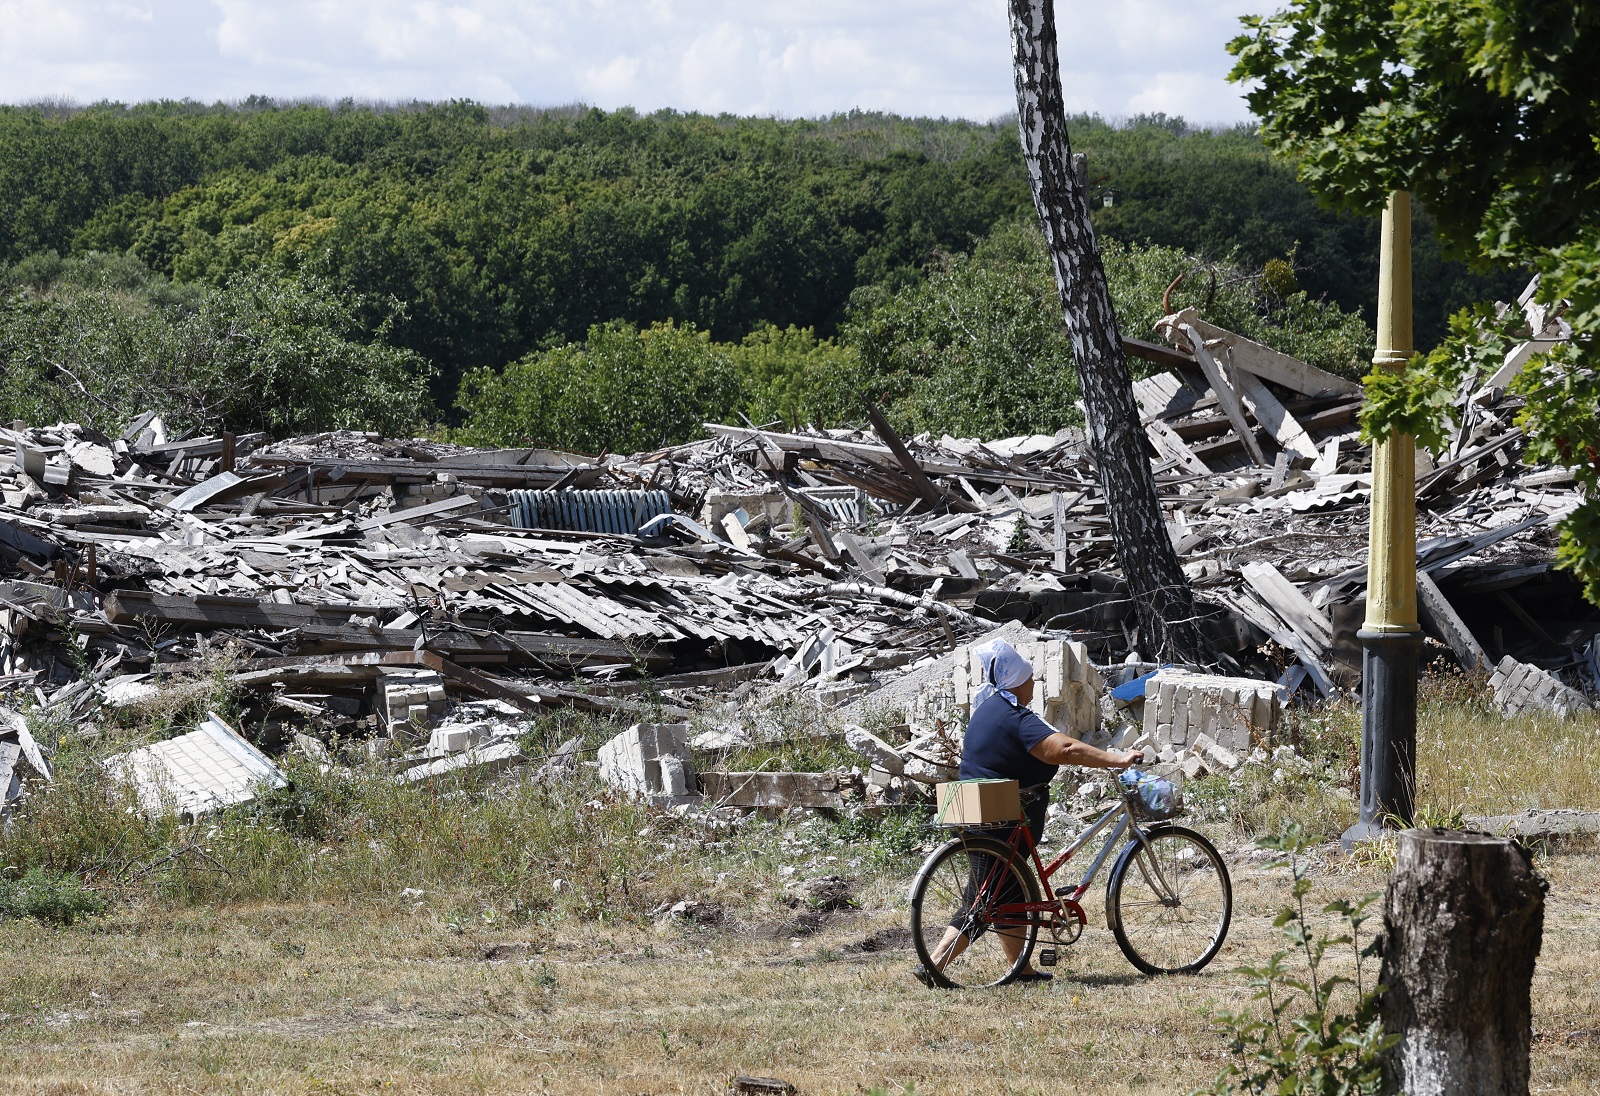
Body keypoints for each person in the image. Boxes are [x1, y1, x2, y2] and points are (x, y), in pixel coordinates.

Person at [916, 638, 1142, 987]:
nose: (1034, 683)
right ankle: (935, 965)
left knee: (1009, 893)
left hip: (972, 808)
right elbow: (1064, 748)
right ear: (1016, 682)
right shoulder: (1015, 717)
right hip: (999, 817)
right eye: (1030, 678)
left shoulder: (989, 708)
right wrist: (1118, 758)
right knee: (985, 899)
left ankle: (1020, 969)